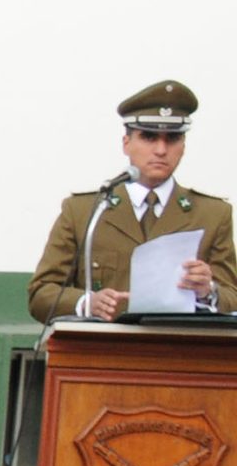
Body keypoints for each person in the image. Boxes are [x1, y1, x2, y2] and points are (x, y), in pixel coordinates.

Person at [28, 81, 237, 321]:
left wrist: (207, 291)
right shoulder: (85, 211)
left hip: (179, 351)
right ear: (126, 144)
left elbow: (232, 294)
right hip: (101, 351)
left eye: (172, 139)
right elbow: (41, 294)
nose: (160, 150)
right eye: (148, 137)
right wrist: (86, 302)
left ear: (183, 146)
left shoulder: (212, 214)